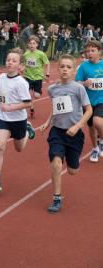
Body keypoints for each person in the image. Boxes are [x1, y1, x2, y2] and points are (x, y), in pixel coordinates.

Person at [40, 55, 92, 213]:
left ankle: (73, 163)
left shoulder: (78, 88)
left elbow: (89, 111)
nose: (65, 69)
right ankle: (57, 198)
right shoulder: (52, 89)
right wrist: (48, 122)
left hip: (74, 133)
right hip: (57, 131)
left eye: (68, 67)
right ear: (58, 68)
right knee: (56, 163)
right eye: (62, 66)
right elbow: (57, 108)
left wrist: (77, 126)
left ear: (73, 70)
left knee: (72, 171)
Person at [0, 48, 35, 192]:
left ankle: (27, 130)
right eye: (8, 60)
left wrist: (11, 107)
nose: (9, 62)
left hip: (18, 120)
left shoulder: (21, 83)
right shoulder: (1, 77)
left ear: (20, 66)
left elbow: (28, 103)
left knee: (19, 148)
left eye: (14, 61)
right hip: (3, 118)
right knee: (0, 146)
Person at [75, 40, 103, 162]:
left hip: (101, 100)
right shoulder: (83, 67)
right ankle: (95, 148)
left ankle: (101, 140)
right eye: (87, 51)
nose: (89, 53)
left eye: (92, 51)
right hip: (87, 102)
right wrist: (84, 83)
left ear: (99, 51)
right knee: (91, 127)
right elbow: (76, 82)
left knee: (98, 122)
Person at [23, 35, 50, 118]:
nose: (32, 45)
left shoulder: (41, 54)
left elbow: (47, 64)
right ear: (28, 45)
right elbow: (24, 64)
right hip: (28, 77)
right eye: (30, 43)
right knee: (28, 94)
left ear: (37, 45)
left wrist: (47, 74)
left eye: (34, 43)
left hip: (38, 77)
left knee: (37, 96)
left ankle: (39, 91)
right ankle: (31, 109)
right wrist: (22, 70)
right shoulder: (26, 54)